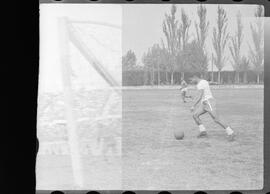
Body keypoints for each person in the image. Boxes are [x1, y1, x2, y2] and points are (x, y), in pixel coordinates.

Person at [189, 74, 235, 141]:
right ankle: (203, 132)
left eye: (191, 80)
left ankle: (231, 133)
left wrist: (193, 105)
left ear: (195, 77)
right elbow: (203, 92)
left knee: (216, 119)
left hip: (208, 102)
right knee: (195, 115)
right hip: (204, 103)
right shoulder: (204, 81)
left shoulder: (200, 84)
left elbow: (200, 96)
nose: (191, 82)